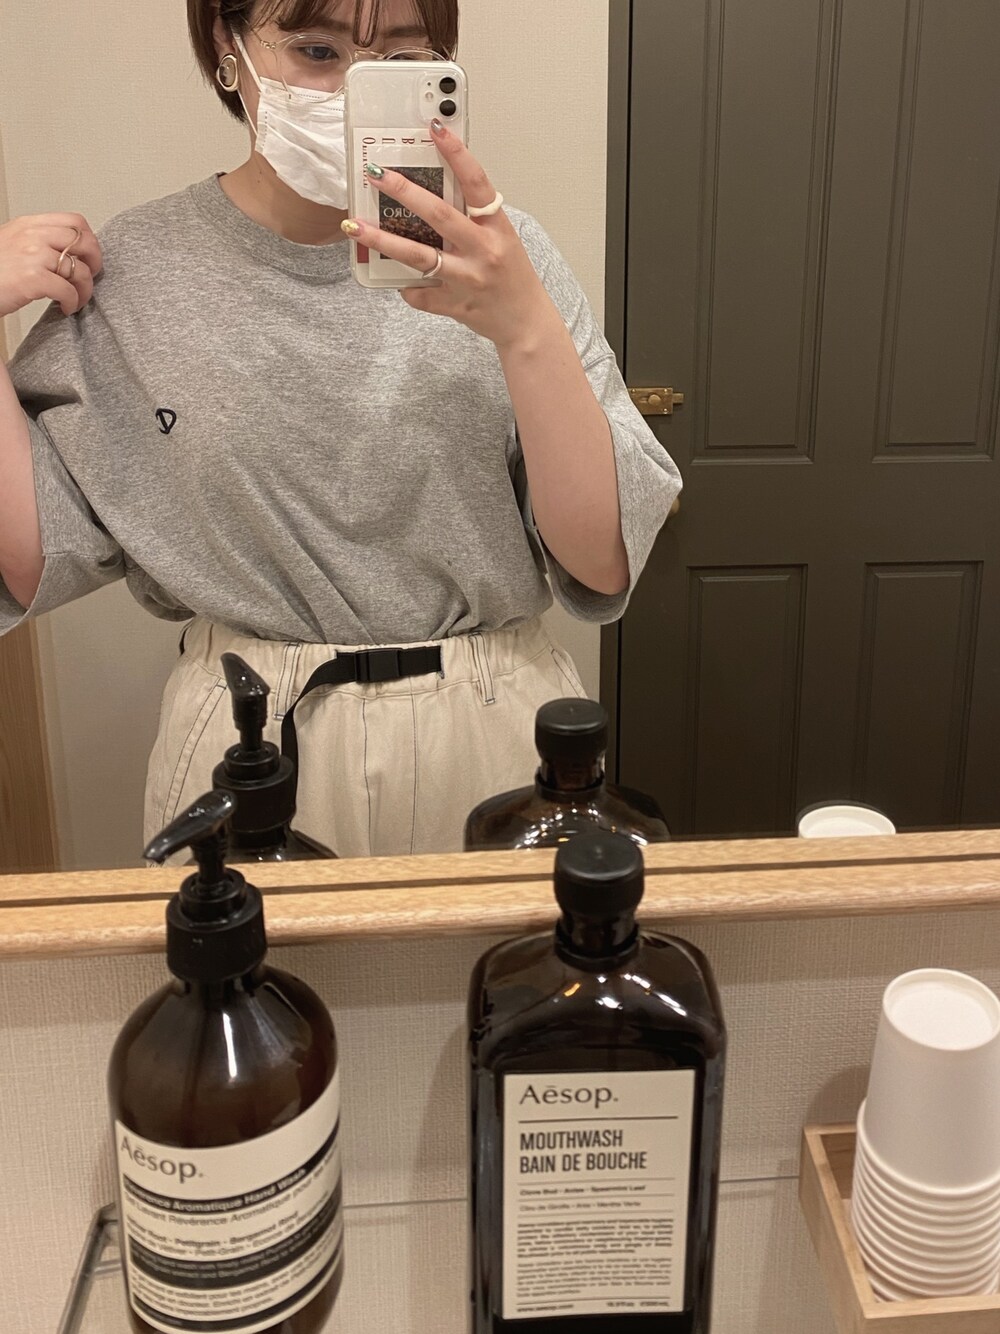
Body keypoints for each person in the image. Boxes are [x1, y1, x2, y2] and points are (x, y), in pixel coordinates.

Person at [0, 0, 681, 858]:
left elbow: (600, 561)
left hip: (489, 730)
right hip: (247, 739)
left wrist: (525, 329)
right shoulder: (137, 270)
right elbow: (30, 558)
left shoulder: (505, 263)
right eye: (317, 51)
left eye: (399, 59)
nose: (355, 90)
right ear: (227, 46)